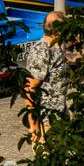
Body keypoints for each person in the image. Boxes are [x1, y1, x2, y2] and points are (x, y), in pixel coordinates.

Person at [22, 11, 68, 144]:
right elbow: (30, 88)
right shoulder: (42, 50)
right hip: (46, 121)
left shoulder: (56, 48)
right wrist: (34, 124)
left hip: (59, 116)